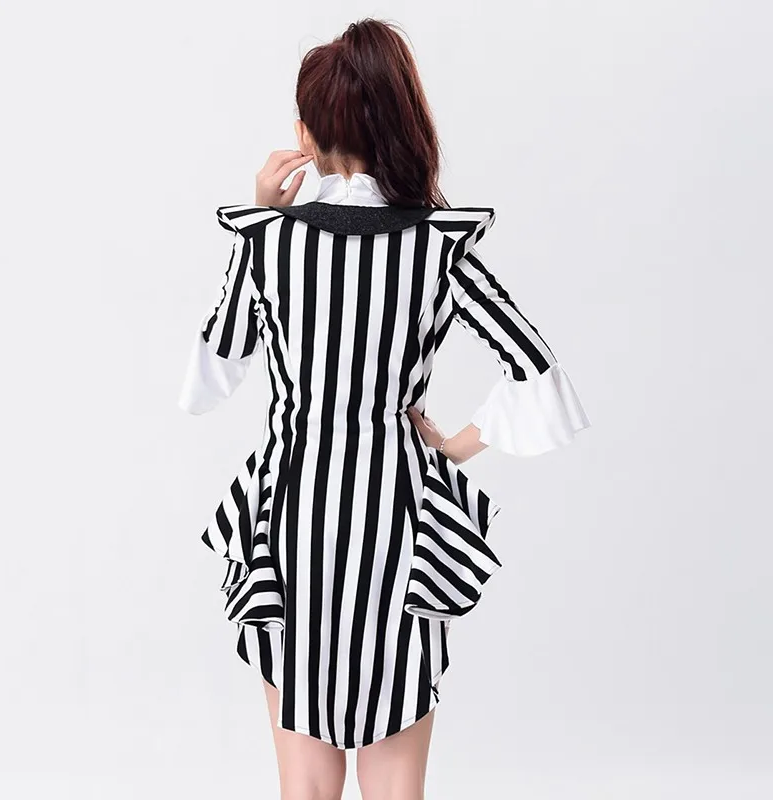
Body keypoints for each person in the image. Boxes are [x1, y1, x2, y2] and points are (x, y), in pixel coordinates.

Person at [178, 17, 591, 800]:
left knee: (305, 784)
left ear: (307, 134)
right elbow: (541, 377)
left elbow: (206, 384)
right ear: (400, 122)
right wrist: (456, 445)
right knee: (397, 785)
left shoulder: (268, 245)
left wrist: (256, 223)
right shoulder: (437, 247)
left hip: (291, 522)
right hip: (398, 524)